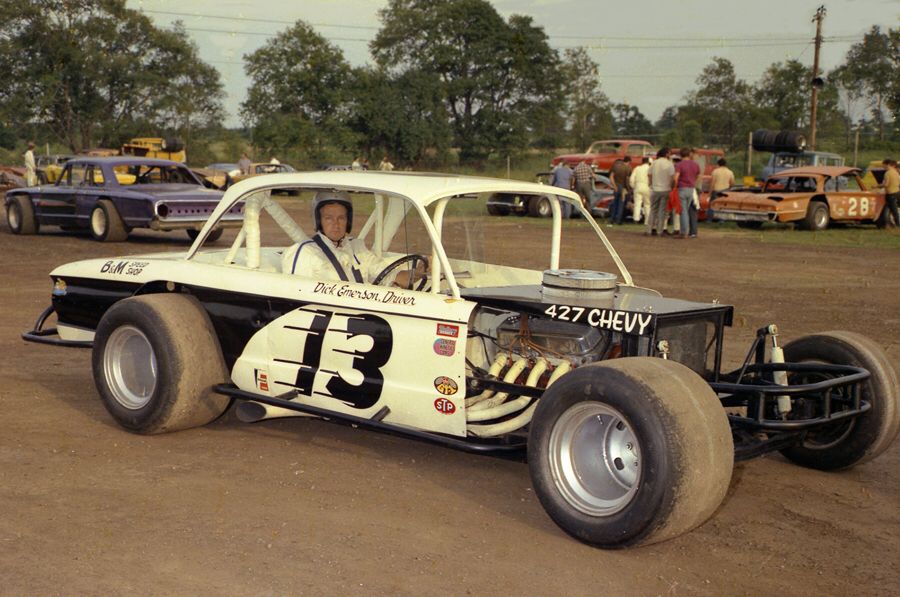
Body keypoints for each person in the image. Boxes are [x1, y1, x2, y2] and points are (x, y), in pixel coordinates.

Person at [283, 191, 424, 287]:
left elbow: (387, 275)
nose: (336, 224)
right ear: (319, 221)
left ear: (348, 221)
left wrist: (417, 273)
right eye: (328, 218)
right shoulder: (304, 252)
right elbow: (295, 297)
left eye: (341, 218)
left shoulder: (357, 248)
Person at [673, 147, 700, 238]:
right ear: (689, 154)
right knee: (686, 210)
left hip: (682, 188)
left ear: (680, 155)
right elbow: (697, 176)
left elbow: (676, 177)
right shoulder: (695, 165)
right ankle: (686, 230)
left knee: (683, 211)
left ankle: (683, 232)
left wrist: (674, 186)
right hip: (691, 189)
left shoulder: (679, 165)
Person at [648, 148, 675, 236]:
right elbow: (672, 177)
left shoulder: (654, 163)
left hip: (655, 189)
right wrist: (671, 186)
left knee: (653, 210)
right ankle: (660, 230)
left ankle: (650, 229)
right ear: (667, 154)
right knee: (662, 211)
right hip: (665, 189)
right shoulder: (669, 164)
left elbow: (649, 174)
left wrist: (651, 184)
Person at [609, 156, 632, 225]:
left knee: (615, 203)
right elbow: (627, 180)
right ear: (629, 162)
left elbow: (611, 177)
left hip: (616, 186)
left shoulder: (615, 166)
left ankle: (612, 219)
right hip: (623, 188)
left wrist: (614, 186)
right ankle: (618, 220)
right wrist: (629, 189)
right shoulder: (628, 168)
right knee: (621, 205)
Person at [630, 156, 651, 228]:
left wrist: (633, 187)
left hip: (638, 186)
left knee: (637, 204)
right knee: (647, 204)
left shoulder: (637, 168)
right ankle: (647, 220)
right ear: (648, 162)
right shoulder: (650, 168)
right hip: (647, 187)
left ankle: (636, 219)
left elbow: (632, 179)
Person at [882, 158, 900, 227]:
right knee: (894, 209)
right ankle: (888, 223)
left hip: (891, 194)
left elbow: (886, 184)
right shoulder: (896, 173)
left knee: (893, 210)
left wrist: (877, 186)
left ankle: (897, 224)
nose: (883, 167)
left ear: (888, 165)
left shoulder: (887, 173)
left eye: (883, 165)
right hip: (897, 193)